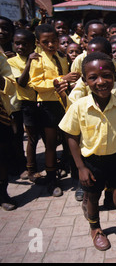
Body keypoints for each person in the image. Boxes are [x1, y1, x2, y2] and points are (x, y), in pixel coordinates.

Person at [58, 52, 116, 263]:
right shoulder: (79, 106)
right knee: (92, 198)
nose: (101, 82)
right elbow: (71, 136)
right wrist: (80, 167)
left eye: (107, 76)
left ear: (114, 77)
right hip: (91, 163)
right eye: (93, 77)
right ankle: (96, 229)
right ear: (85, 80)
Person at [28, 24, 79, 197]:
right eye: (46, 42)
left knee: (69, 138)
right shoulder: (37, 60)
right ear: (38, 42)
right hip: (48, 105)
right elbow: (36, 84)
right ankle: (51, 180)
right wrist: (60, 79)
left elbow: (67, 79)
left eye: (54, 41)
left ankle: (73, 172)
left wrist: (70, 81)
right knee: (50, 143)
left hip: (64, 104)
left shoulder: (62, 57)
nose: (51, 45)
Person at [7, 29, 42, 181]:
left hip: (42, 101)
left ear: (33, 45)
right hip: (27, 103)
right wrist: (29, 62)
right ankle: (31, 169)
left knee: (47, 137)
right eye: (17, 44)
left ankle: (50, 165)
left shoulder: (39, 57)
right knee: (32, 137)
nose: (20, 47)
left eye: (24, 44)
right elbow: (21, 82)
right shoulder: (12, 62)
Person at [0, 51, 17, 210]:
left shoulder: (0, 57)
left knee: (2, 156)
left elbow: (11, 87)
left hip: (1, 115)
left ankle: (2, 193)